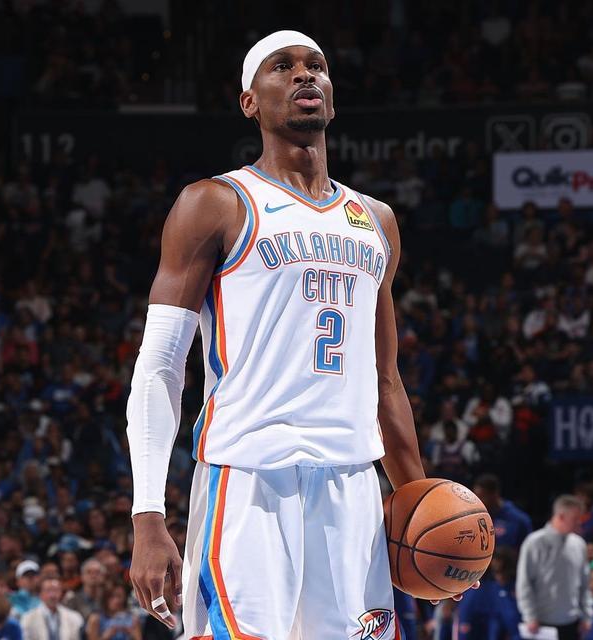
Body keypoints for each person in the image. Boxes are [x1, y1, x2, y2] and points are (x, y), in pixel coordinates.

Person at [126, 29, 474, 638]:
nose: (303, 75)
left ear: (332, 98)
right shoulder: (215, 203)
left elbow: (385, 379)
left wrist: (418, 503)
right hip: (249, 479)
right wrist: (147, 515)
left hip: (353, 485)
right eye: (282, 67)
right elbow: (159, 367)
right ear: (249, 101)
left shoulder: (376, 221)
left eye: (316, 66)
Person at [516, 495, 590, 640]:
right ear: (561, 516)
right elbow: (524, 584)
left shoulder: (579, 544)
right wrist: (530, 616)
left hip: (572, 623)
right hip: (542, 624)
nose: (579, 523)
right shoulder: (534, 543)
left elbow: (584, 583)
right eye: (575, 519)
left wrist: (587, 615)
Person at [473, 474, 532, 549]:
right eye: (476, 498)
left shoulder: (519, 520)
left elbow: (527, 548)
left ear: (494, 494)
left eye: (481, 497)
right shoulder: (474, 517)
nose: (478, 502)